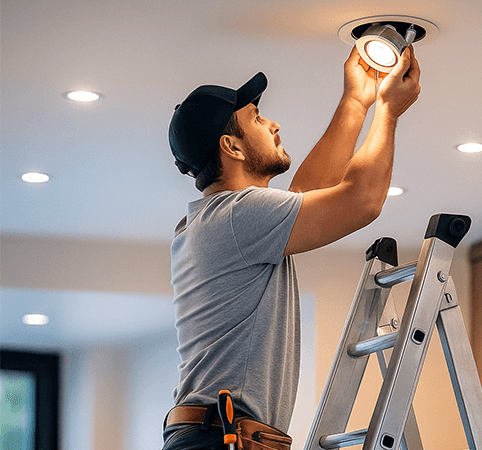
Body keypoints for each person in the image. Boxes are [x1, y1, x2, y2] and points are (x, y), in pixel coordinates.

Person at [162, 45, 421, 450]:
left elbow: (306, 195)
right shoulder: (236, 216)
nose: (274, 123)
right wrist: (387, 111)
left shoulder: (217, 220)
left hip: (217, 435)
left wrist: (356, 101)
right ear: (232, 146)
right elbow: (361, 201)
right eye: (257, 119)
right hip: (223, 438)